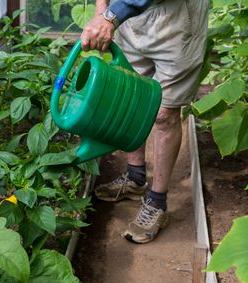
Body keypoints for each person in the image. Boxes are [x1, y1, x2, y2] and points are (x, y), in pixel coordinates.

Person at [81, 0, 209, 243]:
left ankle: (157, 203)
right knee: (133, 94)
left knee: (164, 114)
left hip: (177, 20)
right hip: (128, 17)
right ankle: (135, 177)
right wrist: (102, 10)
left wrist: (110, 17)